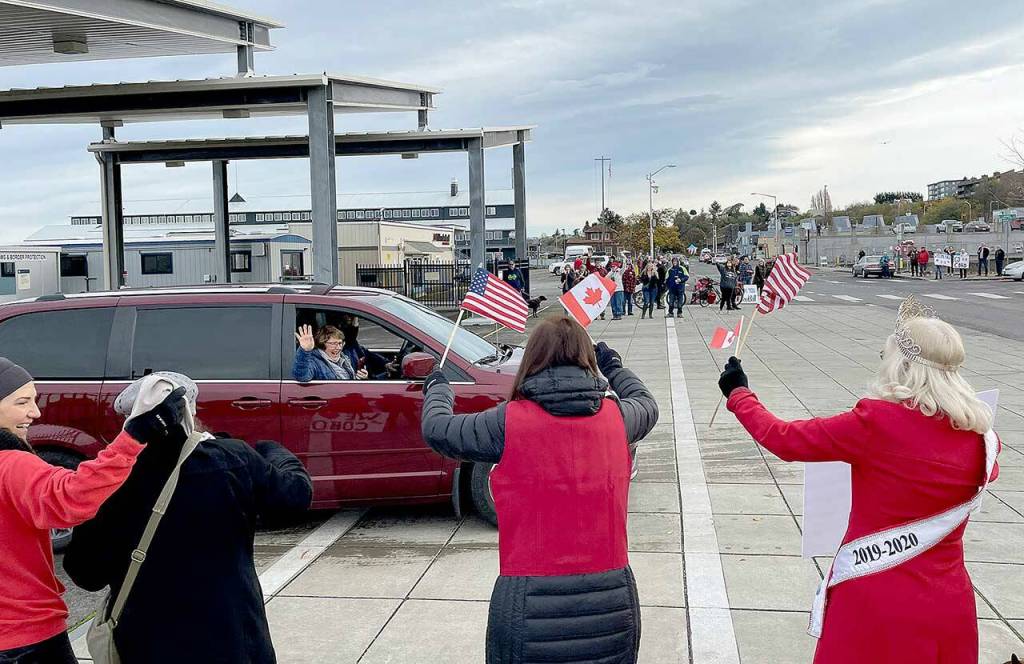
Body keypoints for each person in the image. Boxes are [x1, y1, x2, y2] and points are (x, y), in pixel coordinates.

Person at [717, 298, 999, 663]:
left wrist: (739, 393)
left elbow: (783, 438)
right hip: (949, 601)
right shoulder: (982, 436)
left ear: (901, 366)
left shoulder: (877, 423)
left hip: (877, 595)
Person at [420, 317, 659, 664]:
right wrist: (613, 365)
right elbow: (646, 402)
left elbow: (437, 429)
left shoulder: (507, 422)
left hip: (527, 603)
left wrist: (438, 388)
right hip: (611, 599)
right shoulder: (617, 418)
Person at [64, 372, 313, 664]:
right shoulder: (232, 458)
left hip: (147, 643)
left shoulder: (110, 478)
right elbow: (295, 496)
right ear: (190, 410)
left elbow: (84, 573)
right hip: (233, 638)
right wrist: (274, 450)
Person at [0, 358, 184, 663]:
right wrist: (134, 437)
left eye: (34, 399)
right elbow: (70, 498)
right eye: (22, 402)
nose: (35, 412)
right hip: (25, 637)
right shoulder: (11, 464)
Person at [292, 324, 368, 381]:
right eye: (333, 344)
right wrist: (305, 351)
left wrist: (363, 379)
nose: (338, 347)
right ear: (322, 344)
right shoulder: (315, 362)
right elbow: (301, 376)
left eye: (340, 343)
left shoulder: (345, 358)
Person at [339, 314, 392, 380]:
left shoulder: (351, 343)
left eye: (356, 322)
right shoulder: (340, 352)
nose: (355, 325)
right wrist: (366, 379)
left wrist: (385, 363)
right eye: (352, 321)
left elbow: (366, 353)